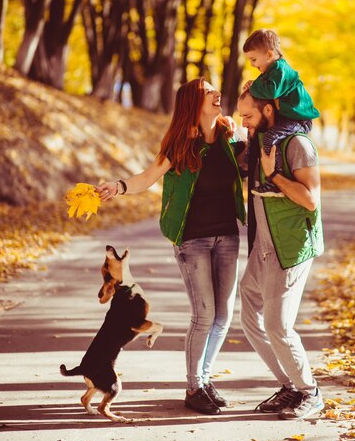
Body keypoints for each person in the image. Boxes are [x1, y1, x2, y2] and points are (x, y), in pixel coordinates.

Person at [97, 78, 246, 415]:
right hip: (192, 239)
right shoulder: (180, 146)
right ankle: (194, 387)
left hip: (227, 236)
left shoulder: (229, 137)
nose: (215, 93)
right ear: (192, 102)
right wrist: (118, 186)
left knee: (223, 315)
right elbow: (146, 178)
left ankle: (204, 380)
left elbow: (257, 141)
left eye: (214, 89)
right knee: (204, 313)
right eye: (207, 91)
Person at [237, 88, 325, 420]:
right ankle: (290, 385)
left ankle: (309, 392)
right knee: (250, 317)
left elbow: (310, 199)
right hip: (264, 247)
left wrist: (274, 175)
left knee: (278, 325)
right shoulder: (262, 144)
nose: (243, 122)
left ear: (270, 111)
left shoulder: (297, 146)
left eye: (248, 116)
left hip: (290, 247)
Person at [242, 28, 319, 197]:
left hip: (299, 120)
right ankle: (247, 164)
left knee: (270, 138)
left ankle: (274, 182)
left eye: (254, 59)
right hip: (288, 117)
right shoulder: (271, 70)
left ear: (269, 54)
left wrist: (254, 86)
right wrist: (253, 84)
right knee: (255, 129)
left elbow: (272, 91)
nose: (252, 65)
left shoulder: (280, 69)